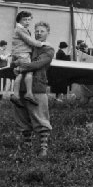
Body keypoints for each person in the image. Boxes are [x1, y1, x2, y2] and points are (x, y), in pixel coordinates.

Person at [12, 21, 55, 157]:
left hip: (37, 87)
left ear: (48, 33)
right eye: (36, 31)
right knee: (22, 119)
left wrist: (21, 66)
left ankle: (43, 148)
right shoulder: (27, 46)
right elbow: (14, 59)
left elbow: (39, 63)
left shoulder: (48, 49)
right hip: (21, 89)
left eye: (42, 31)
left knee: (40, 118)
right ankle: (26, 146)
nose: (38, 33)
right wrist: (15, 63)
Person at [10, 11, 49, 107]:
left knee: (19, 74)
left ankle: (16, 94)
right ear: (19, 20)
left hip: (18, 53)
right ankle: (29, 93)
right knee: (29, 71)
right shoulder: (20, 29)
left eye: (29, 20)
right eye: (25, 19)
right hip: (23, 54)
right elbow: (30, 41)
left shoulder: (19, 29)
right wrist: (41, 44)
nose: (27, 22)